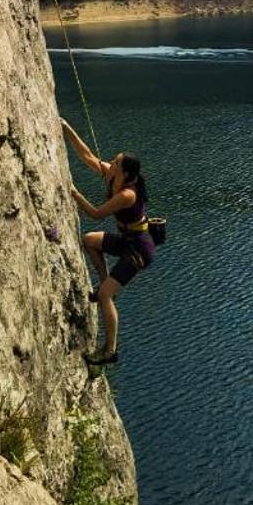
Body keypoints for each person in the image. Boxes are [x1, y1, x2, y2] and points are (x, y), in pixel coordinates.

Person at [61, 120, 156, 368]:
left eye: (115, 163)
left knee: (105, 296)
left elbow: (95, 213)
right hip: (127, 240)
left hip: (138, 250)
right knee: (89, 241)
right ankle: (104, 279)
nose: (110, 163)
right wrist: (66, 127)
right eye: (112, 161)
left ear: (124, 173)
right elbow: (88, 156)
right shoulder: (116, 178)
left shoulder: (127, 195)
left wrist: (73, 193)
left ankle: (110, 350)